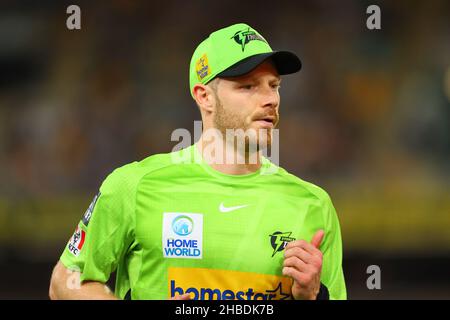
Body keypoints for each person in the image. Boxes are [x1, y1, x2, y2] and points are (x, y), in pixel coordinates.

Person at [49, 23, 346, 300]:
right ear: (205, 97)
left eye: (274, 85)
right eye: (248, 87)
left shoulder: (314, 205)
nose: (270, 99)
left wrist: (313, 296)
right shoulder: (135, 186)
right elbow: (65, 281)